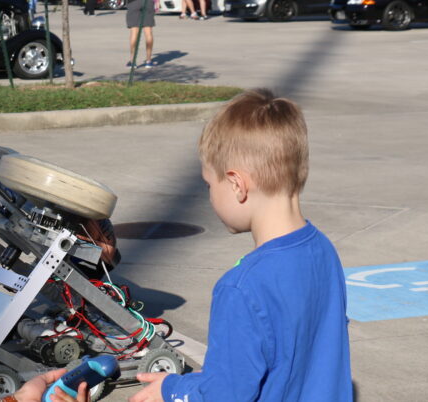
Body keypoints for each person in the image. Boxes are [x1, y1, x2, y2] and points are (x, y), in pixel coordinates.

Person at [129, 89, 352, 402]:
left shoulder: (241, 288)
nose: (209, 197)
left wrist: (172, 391)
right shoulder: (324, 252)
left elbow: (225, 395)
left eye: (210, 185)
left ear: (236, 184)